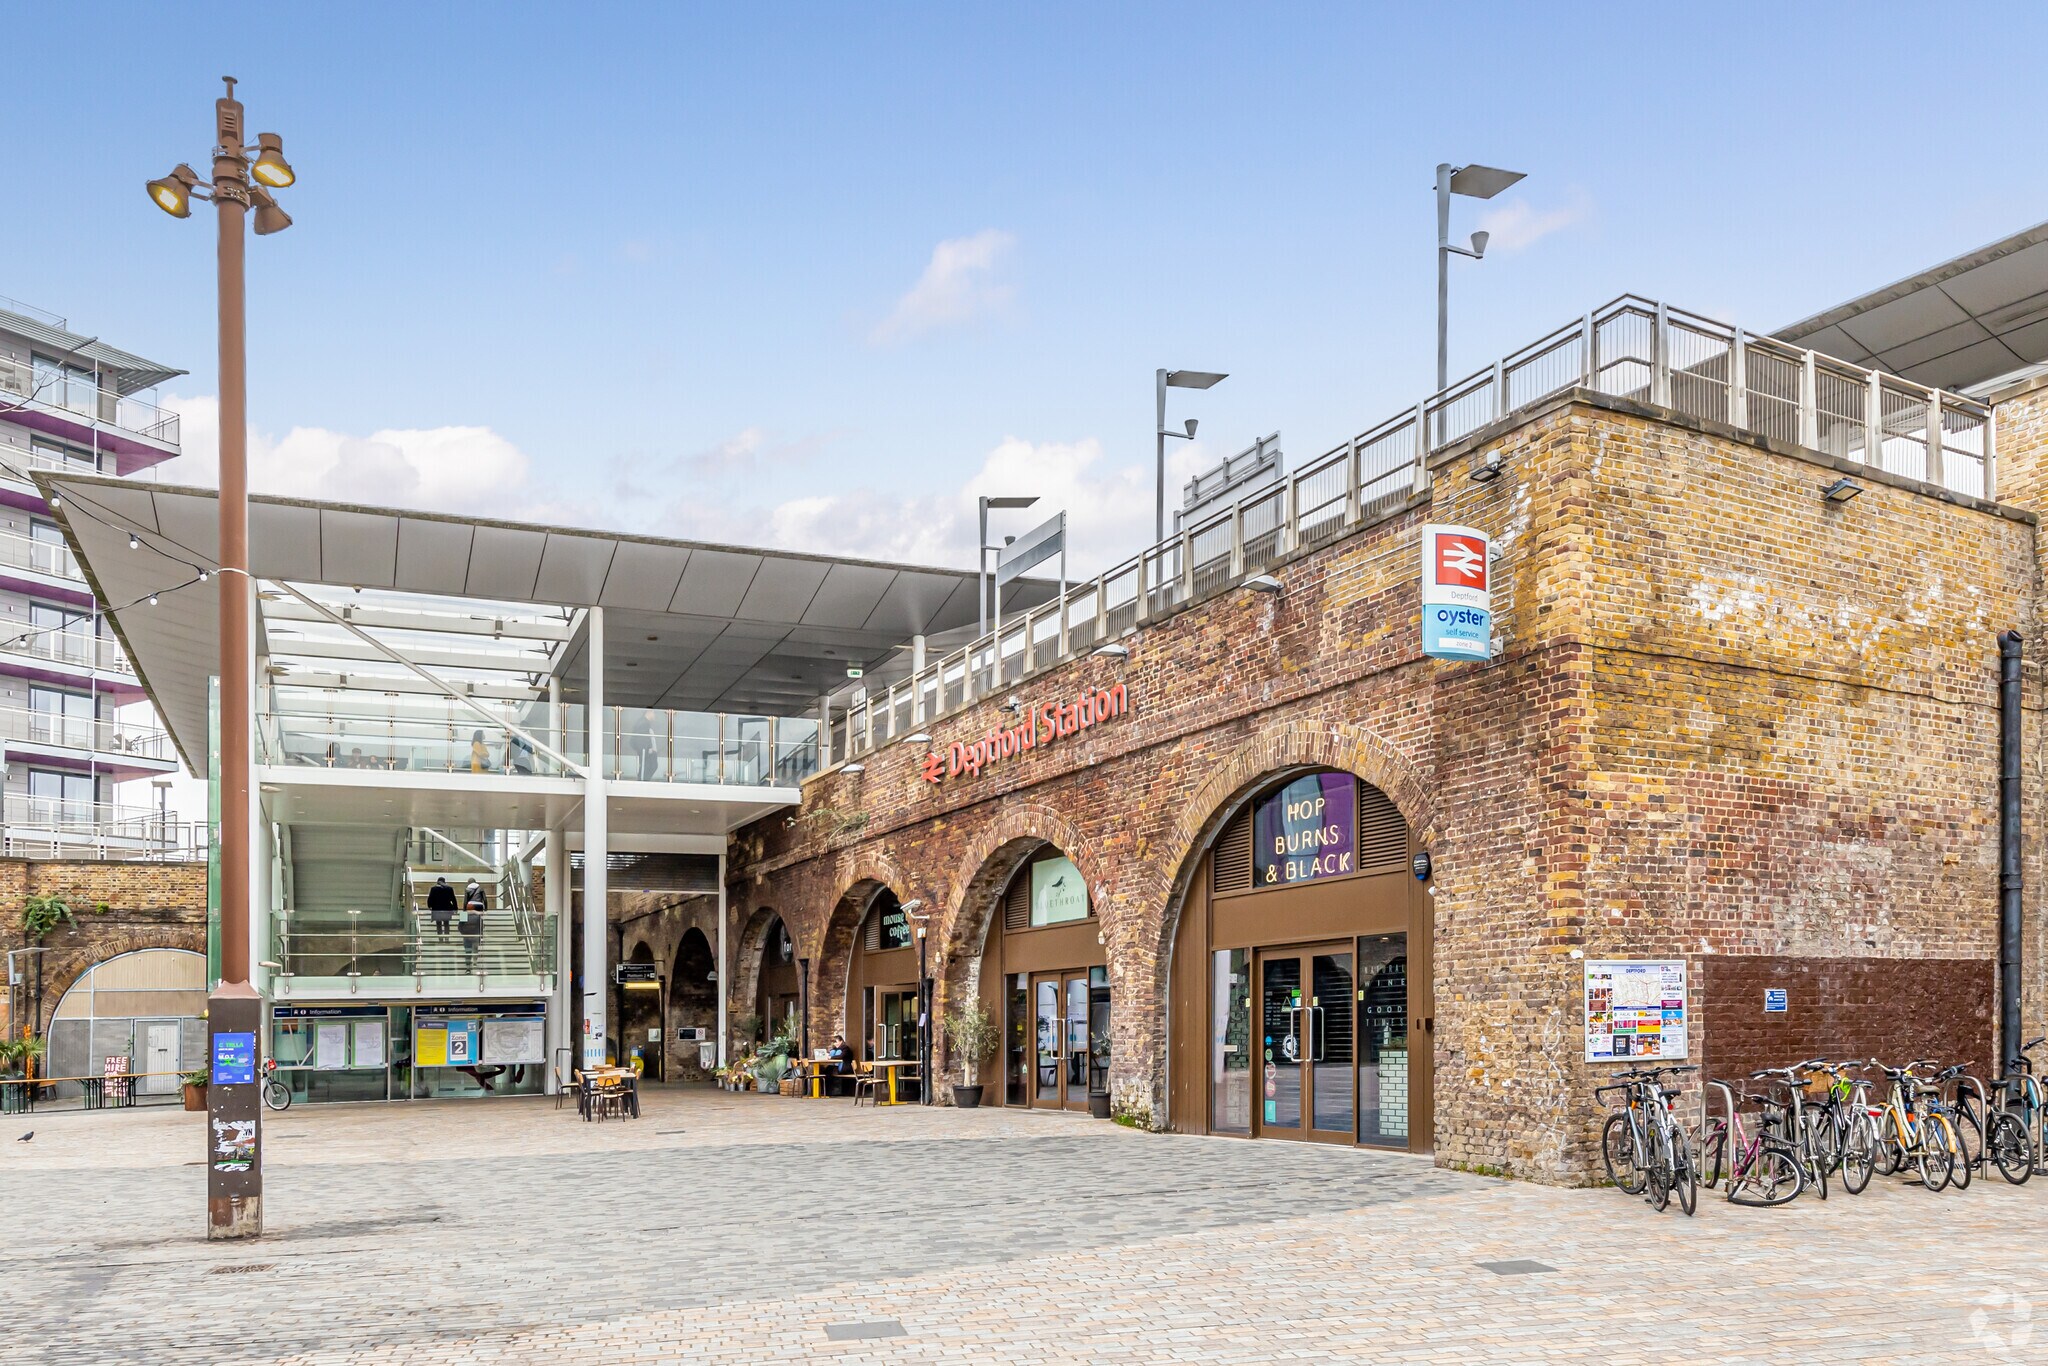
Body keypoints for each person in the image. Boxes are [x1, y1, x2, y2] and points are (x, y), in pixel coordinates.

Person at [460, 905, 484, 971]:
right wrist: (480, 935)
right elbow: (481, 927)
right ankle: (475, 962)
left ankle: (468, 966)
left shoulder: (463, 915)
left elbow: (460, 927)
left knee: (467, 951)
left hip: (467, 936)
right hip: (476, 936)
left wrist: (464, 933)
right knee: (475, 949)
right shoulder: (478, 916)